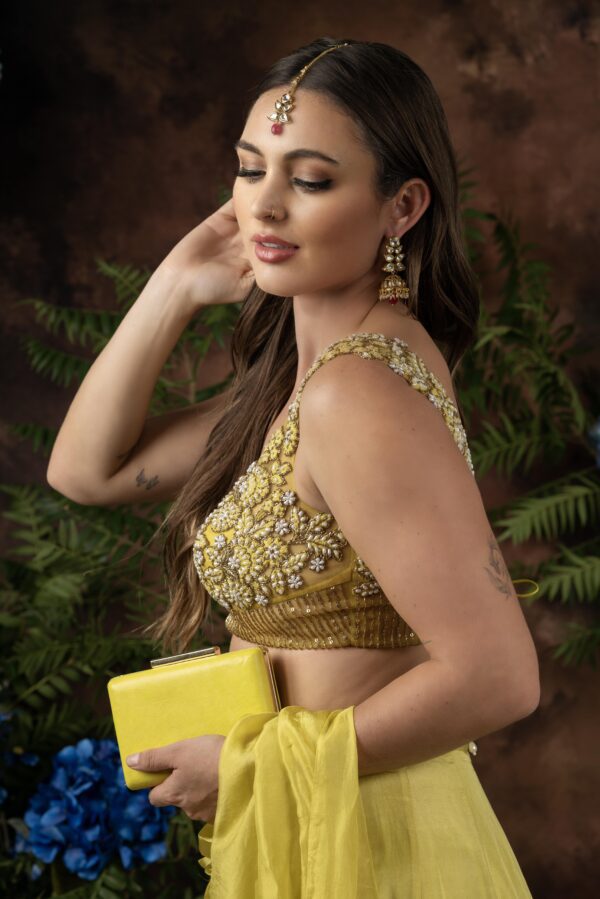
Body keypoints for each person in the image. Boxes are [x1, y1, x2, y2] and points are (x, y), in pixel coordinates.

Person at [48, 37, 540, 898]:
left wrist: (247, 768)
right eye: (248, 170)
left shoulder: (355, 391)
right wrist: (174, 283)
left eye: (310, 180)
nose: (263, 208)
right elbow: (86, 472)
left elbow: (498, 676)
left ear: (402, 207)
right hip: (323, 822)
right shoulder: (304, 381)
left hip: (376, 841)